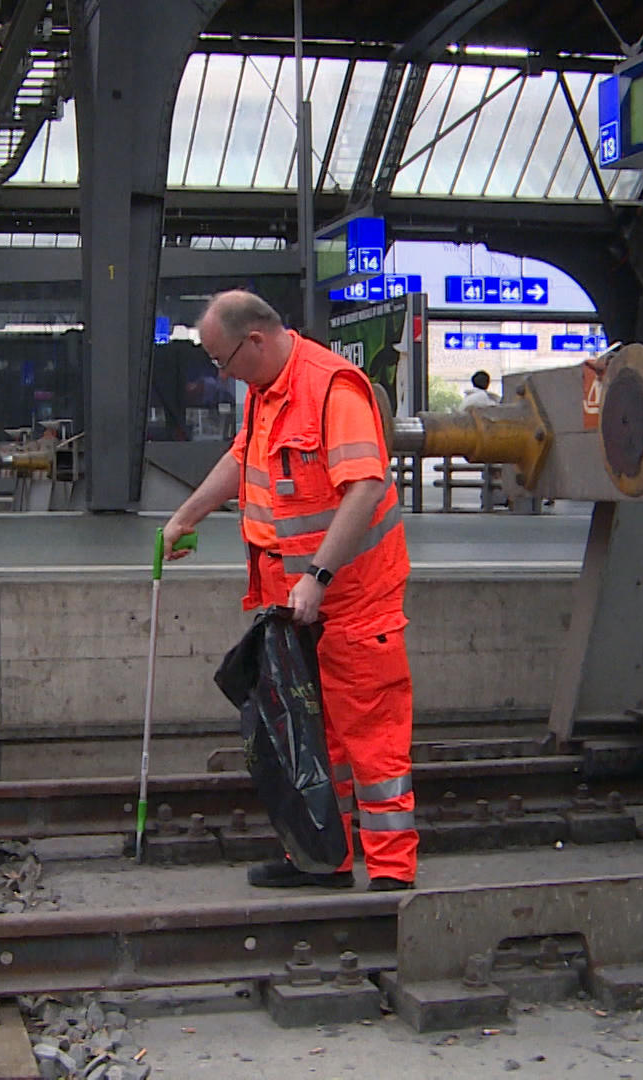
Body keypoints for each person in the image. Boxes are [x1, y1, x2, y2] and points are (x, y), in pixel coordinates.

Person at [163, 290, 418, 892]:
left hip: (352, 601)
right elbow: (240, 457)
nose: (219, 372)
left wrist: (319, 577)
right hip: (294, 607)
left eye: (221, 359)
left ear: (255, 340)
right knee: (311, 737)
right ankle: (323, 856)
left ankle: (390, 875)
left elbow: (363, 488)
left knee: (373, 742)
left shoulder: (333, 388)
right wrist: (188, 515)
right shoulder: (264, 392)